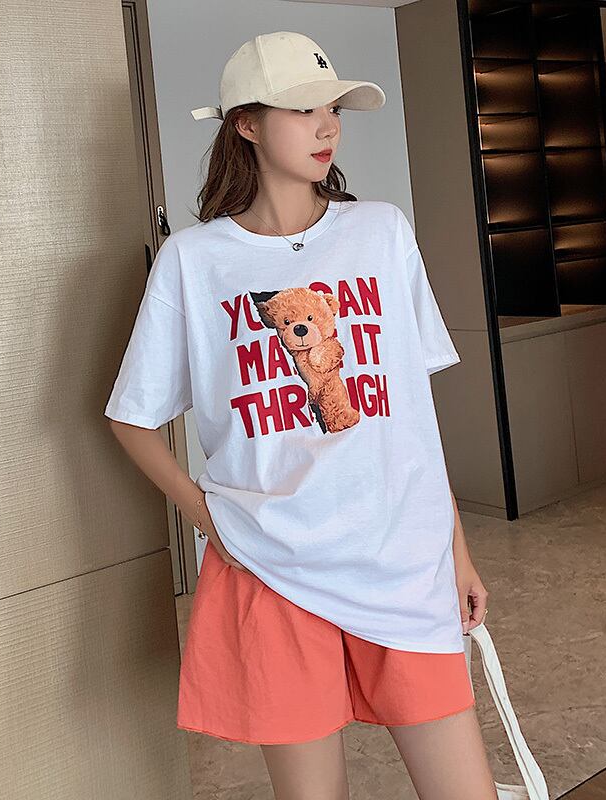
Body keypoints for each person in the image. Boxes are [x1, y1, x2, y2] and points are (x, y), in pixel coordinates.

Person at [104, 30, 497, 800]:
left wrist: (455, 550)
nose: (327, 127)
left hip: (400, 558)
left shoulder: (381, 232)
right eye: (302, 109)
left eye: (334, 109)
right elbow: (130, 418)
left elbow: (411, 419)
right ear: (245, 124)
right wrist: (209, 520)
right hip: (271, 564)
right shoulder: (194, 261)